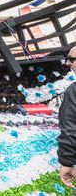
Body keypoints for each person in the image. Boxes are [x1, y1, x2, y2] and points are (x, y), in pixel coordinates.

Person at [58, 46, 76, 188]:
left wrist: (67, 162)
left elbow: (70, 128)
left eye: (71, 59)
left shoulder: (74, 91)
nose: (67, 63)